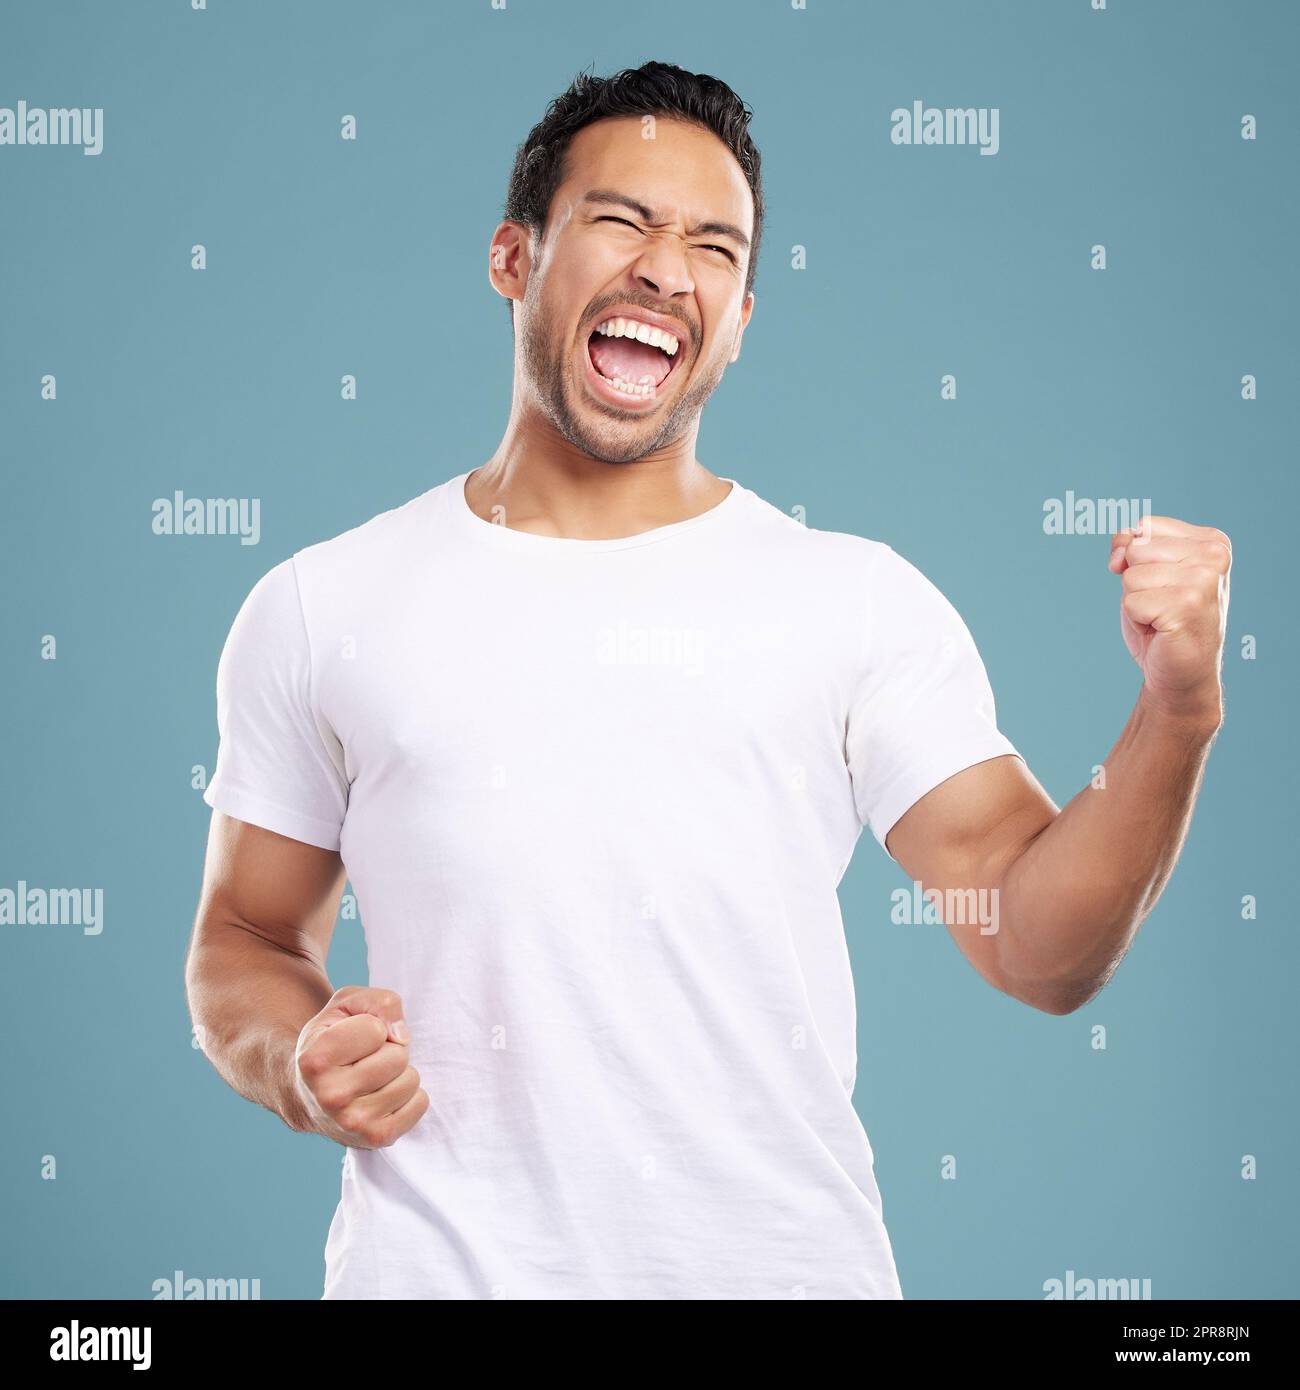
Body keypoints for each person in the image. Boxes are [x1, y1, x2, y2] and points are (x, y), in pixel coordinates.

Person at [185, 61, 1231, 1300]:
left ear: (738, 318)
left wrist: (1175, 714)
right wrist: (300, 1055)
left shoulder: (854, 600)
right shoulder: (325, 605)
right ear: (513, 257)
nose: (665, 269)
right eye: (620, 219)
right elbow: (244, 938)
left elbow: (1041, 954)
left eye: (713, 246)